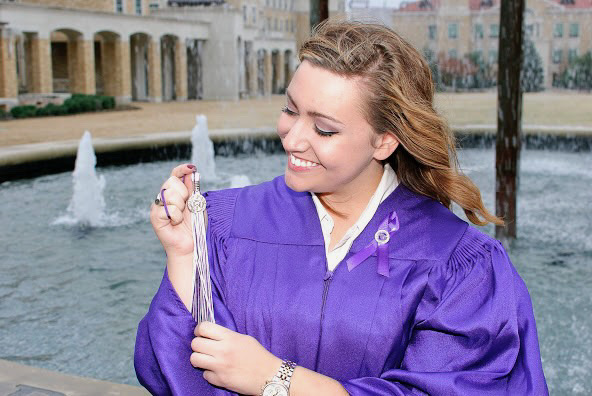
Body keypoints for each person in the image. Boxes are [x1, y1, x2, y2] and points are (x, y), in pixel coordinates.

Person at [134, 18, 549, 395]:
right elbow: (166, 371)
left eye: (324, 129)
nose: (293, 139)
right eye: (289, 110)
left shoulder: (458, 264)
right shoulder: (226, 222)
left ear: (385, 141)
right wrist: (185, 257)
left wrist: (278, 378)